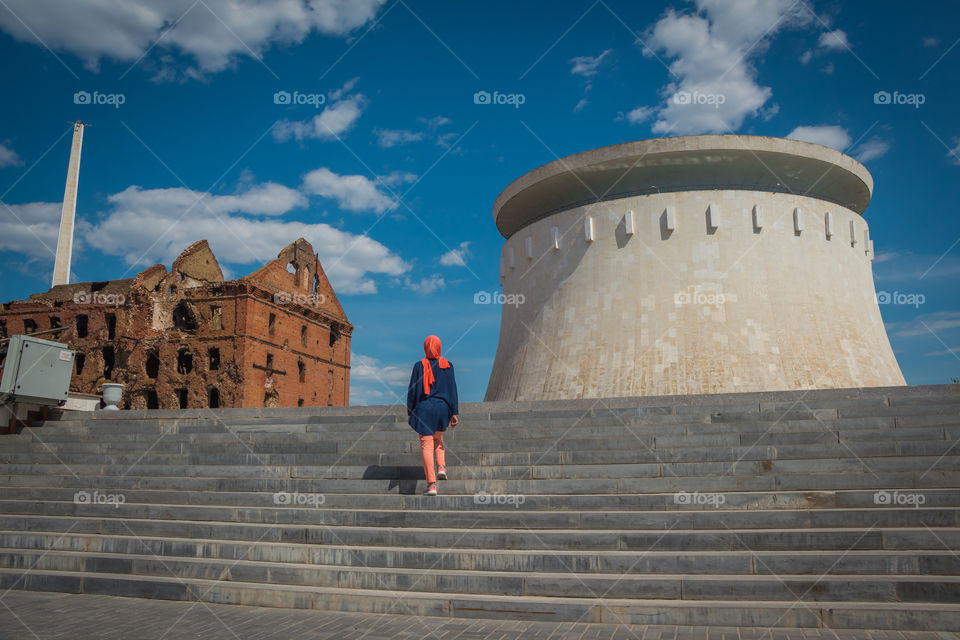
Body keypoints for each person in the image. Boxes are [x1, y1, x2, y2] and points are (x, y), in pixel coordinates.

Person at [407, 335, 459, 496]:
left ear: (425, 347)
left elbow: (413, 390)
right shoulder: (447, 365)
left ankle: (431, 485)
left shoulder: (418, 366)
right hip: (442, 408)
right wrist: (454, 412)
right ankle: (441, 467)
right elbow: (452, 390)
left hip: (424, 409)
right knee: (438, 438)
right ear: (439, 346)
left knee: (427, 446)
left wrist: (410, 412)